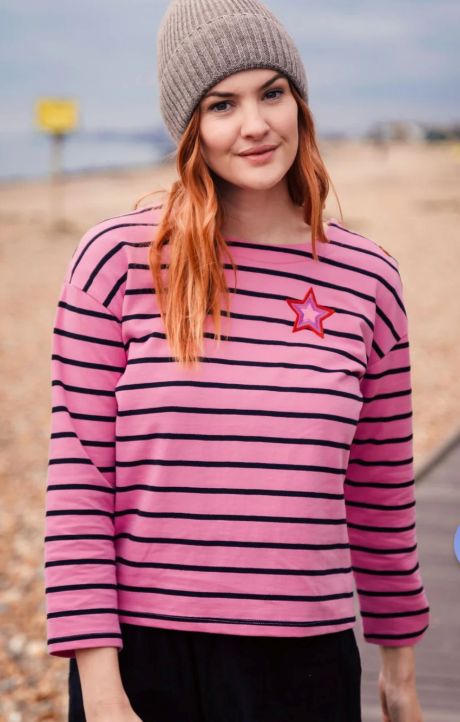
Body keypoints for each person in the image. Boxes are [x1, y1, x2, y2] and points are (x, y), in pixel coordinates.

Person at [43, 1, 430, 720]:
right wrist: (101, 690)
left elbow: (380, 491)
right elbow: (79, 486)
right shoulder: (116, 264)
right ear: (190, 128)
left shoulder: (367, 279)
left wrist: (400, 672)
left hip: (306, 662)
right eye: (222, 104)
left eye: (271, 92)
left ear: (299, 103)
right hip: (146, 661)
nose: (255, 124)